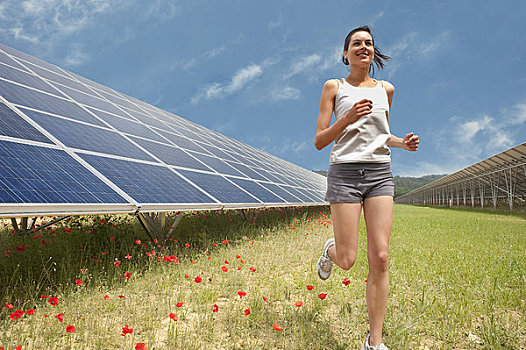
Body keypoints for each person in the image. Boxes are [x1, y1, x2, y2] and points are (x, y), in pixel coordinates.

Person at [314, 26, 419, 350]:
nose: (364, 47)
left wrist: (402, 142)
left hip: (380, 174)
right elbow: (320, 141)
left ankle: (374, 342)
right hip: (344, 173)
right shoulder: (335, 86)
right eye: (356, 43)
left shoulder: (386, 89)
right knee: (347, 259)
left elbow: (379, 134)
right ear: (345, 54)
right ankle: (330, 251)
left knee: (382, 257)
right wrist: (346, 119)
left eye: (369, 43)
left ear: (374, 52)